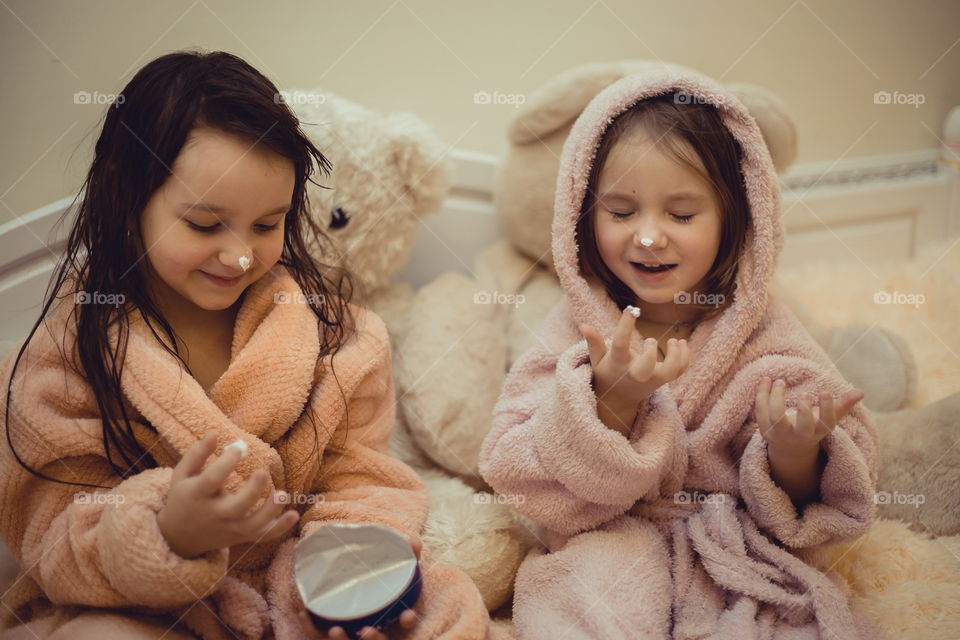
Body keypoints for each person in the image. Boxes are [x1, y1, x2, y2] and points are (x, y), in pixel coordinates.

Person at [0, 50, 494, 640]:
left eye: (267, 225)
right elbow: (50, 539)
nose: (239, 254)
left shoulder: (340, 340)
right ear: (125, 197)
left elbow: (363, 479)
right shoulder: (63, 362)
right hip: (154, 606)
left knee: (447, 613)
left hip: (302, 587)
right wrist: (165, 533)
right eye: (205, 225)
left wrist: (347, 572)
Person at [479, 71, 879, 639]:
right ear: (582, 216)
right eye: (620, 212)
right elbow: (514, 466)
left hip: (733, 545)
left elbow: (823, 500)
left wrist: (794, 453)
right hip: (608, 536)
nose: (647, 236)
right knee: (579, 599)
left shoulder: (763, 329)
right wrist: (612, 402)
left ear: (736, 220)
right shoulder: (575, 323)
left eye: (681, 214)